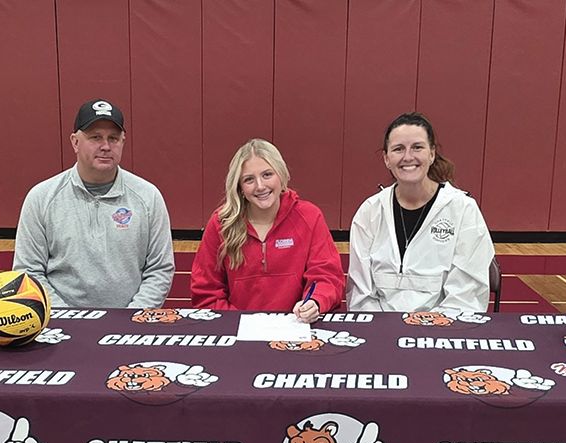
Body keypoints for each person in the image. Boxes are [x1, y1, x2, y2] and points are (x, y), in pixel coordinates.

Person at [13, 99, 174, 308]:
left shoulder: (148, 197)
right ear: (75, 142)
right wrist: (69, 320)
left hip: (128, 325)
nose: (106, 146)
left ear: (123, 142)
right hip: (62, 325)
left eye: (113, 138)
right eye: (95, 137)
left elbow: (159, 269)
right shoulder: (41, 198)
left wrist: (133, 318)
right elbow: (28, 271)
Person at [347, 112, 494, 313]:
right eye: (398, 149)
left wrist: (422, 330)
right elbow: (361, 295)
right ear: (386, 158)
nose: (408, 157)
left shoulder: (463, 210)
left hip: (442, 334)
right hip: (380, 334)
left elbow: (466, 298)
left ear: (432, 154)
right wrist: (383, 334)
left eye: (417, 147)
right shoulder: (370, 212)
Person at [190, 139, 344, 322]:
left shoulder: (309, 217)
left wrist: (315, 301)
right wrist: (236, 322)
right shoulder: (221, 223)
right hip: (237, 330)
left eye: (267, 175)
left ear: (281, 175)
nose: (260, 186)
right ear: (239, 187)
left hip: (296, 327)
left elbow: (327, 276)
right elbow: (206, 290)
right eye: (249, 179)